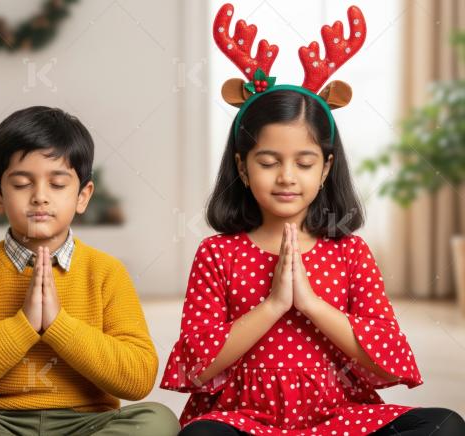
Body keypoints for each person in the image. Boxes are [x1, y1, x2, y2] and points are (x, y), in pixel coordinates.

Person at [160, 3, 465, 435]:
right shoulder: (217, 253)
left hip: (337, 418)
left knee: (445, 426)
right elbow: (196, 364)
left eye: (304, 163)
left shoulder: (351, 253)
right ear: (243, 168)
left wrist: (312, 304)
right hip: (247, 421)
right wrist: (273, 305)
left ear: (325, 169)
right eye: (268, 162)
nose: (287, 177)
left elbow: (389, 357)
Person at [0, 106, 180, 436]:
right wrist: (24, 324)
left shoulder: (106, 272)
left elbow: (138, 379)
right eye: (21, 184)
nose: (40, 197)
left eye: (58, 184)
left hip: (86, 424)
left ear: (83, 196)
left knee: (158, 420)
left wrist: (59, 325)